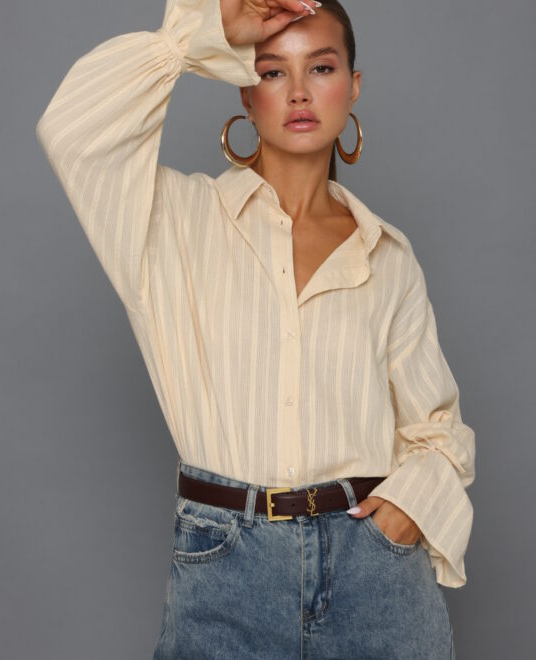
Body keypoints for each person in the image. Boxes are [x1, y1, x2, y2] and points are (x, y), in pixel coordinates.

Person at [36, 0, 475, 657]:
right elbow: (72, 132)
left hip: (376, 574)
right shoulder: (175, 220)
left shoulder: (387, 255)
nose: (298, 91)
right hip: (225, 570)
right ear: (245, 92)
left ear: (353, 86)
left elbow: (436, 427)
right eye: (272, 72)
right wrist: (198, 34)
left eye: (321, 67)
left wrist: (412, 508)